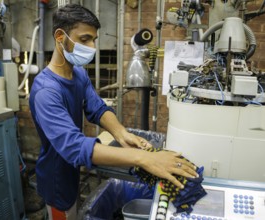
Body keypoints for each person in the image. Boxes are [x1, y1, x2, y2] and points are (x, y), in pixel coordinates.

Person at [29, 4, 198, 220]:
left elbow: (97, 108)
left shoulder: (78, 74)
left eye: (94, 40)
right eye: (84, 39)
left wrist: (121, 133)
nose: (92, 47)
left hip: (71, 174)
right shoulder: (46, 91)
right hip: (57, 182)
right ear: (60, 37)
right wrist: (143, 158)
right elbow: (74, 148)